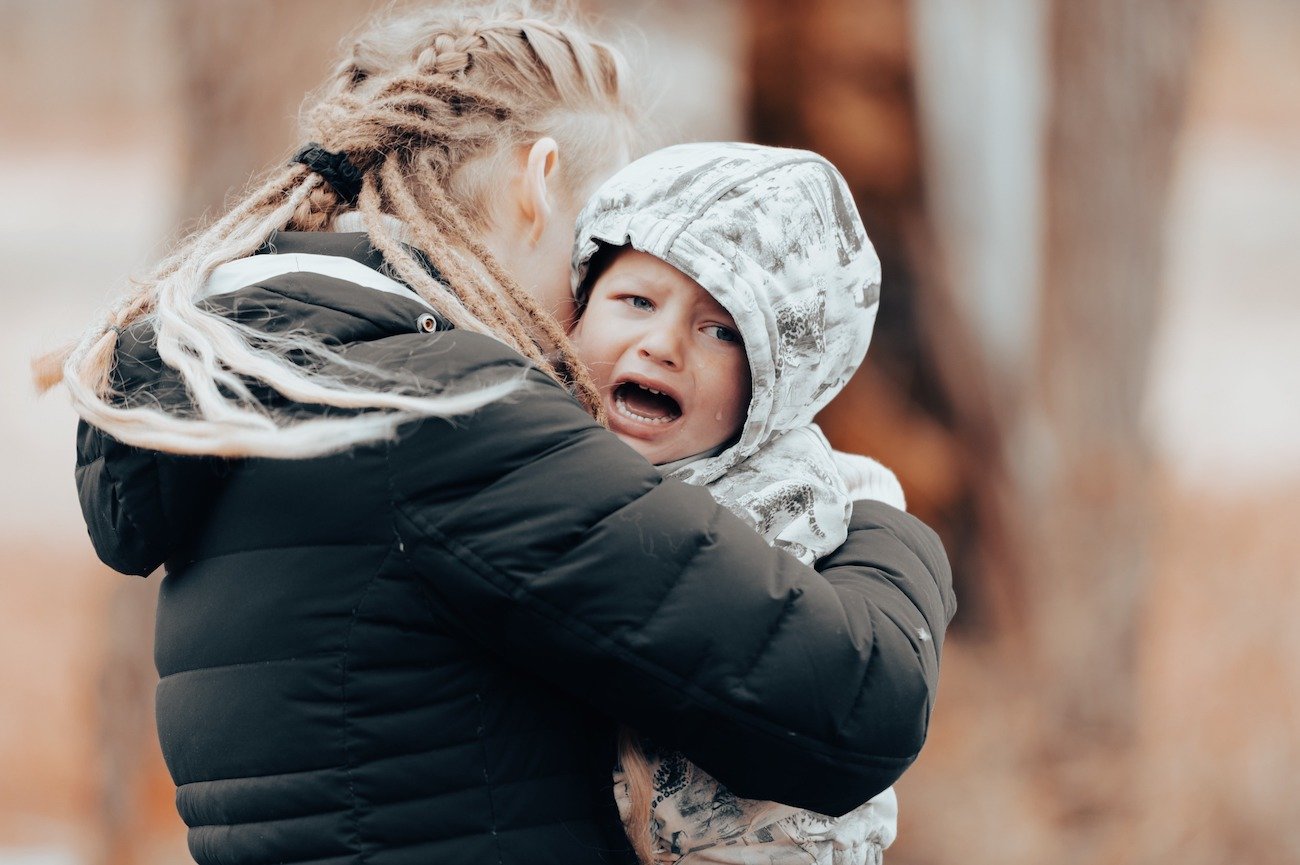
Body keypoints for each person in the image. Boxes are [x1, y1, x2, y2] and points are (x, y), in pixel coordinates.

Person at [36, 5, 955, 865]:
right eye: (601, 258)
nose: (585, 308)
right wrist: (881, 515)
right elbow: (851, 704)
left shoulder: (268, 383)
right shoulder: (449, 414)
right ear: (538, 181)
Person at [569, 142, 910, 864]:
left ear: (776, 388)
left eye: (720, 330)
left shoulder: (781, 503)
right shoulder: (538, 446)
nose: (661, 344)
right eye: (636, 300)